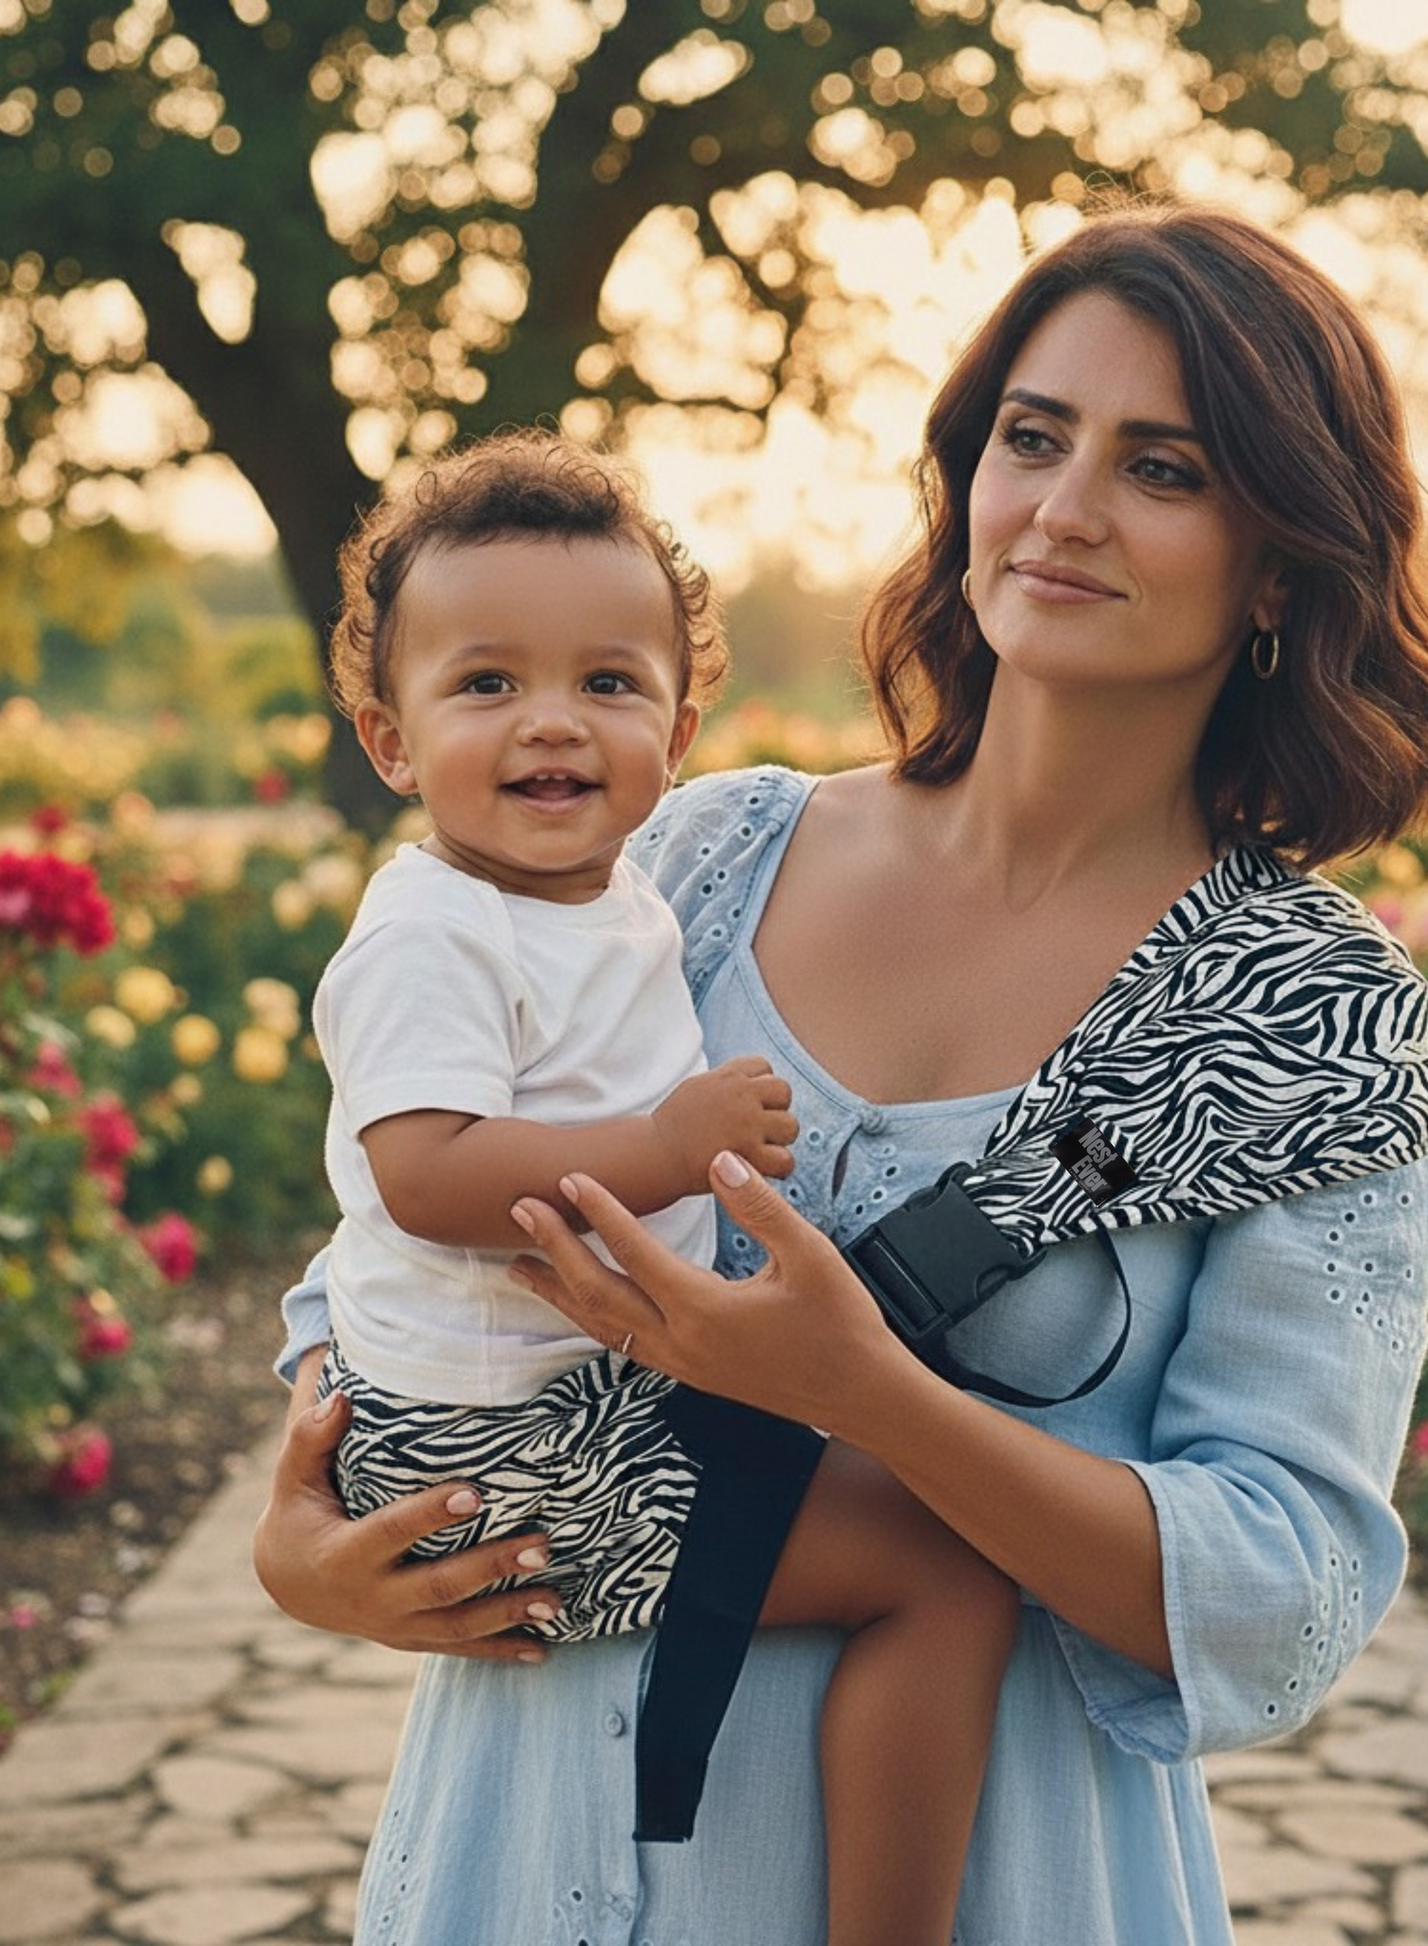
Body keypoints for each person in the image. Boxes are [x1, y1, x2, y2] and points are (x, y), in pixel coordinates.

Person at [256, 196, 1428, 1944]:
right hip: (531, 1848)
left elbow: (1279, 1608)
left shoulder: (1309, 1016)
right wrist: (301, 1541)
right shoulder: (693, 860)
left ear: (1282, 559)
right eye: (1031, 438)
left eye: (1164, 469)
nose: (1060, 509)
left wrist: (875, 1394)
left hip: (1005, 1879)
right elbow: (397, 1240)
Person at [304, 430, 1019, 1945]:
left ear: (679, 727)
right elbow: (422, 1177)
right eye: (485, 683)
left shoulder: (612, 894)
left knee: (896, 1499)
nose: (551, 723)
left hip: (562, 1403)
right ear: (388, 739)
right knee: (939, 1577)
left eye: (606, 683)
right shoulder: (433, 933)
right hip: (490, 1451)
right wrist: (665, 1142)